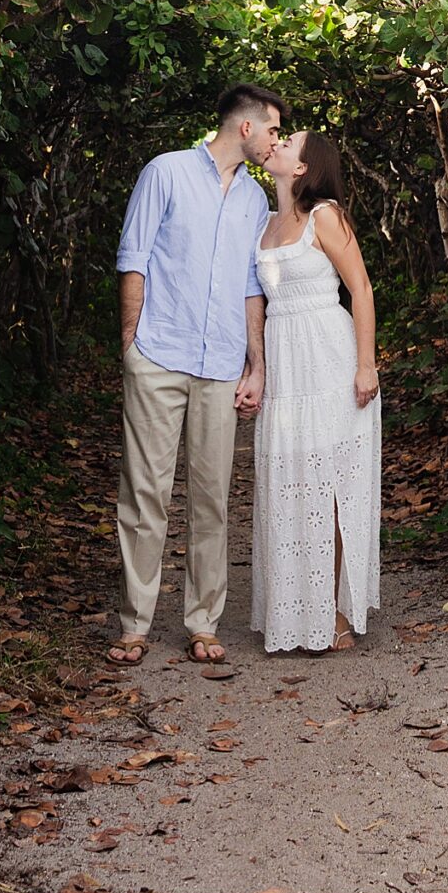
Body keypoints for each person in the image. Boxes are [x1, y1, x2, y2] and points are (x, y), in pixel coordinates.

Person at [106, 82, 283, 668]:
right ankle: (134, 625)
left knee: (212, 500)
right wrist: (133, 341)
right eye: (274, 129)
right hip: (160, 353)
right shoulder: (167, 172)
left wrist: (255, 364)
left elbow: (252, 287)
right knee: (145, 495)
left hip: (220, 365)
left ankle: (203, 623)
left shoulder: (256, 202)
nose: (275, 141)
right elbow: (134, 255)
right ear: (246, 127)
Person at [249, 129, 381, 655]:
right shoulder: (263, 222)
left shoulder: (326, 214)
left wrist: (366, 364)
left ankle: (335, 613)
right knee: (289, 485)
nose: (276, 145)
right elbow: (252, 300)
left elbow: (362, 288)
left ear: (303, 167)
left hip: (330, 359)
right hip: (286, 365)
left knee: (331, 489)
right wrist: (254, 367)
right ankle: (296, 612)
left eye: (288, 144)